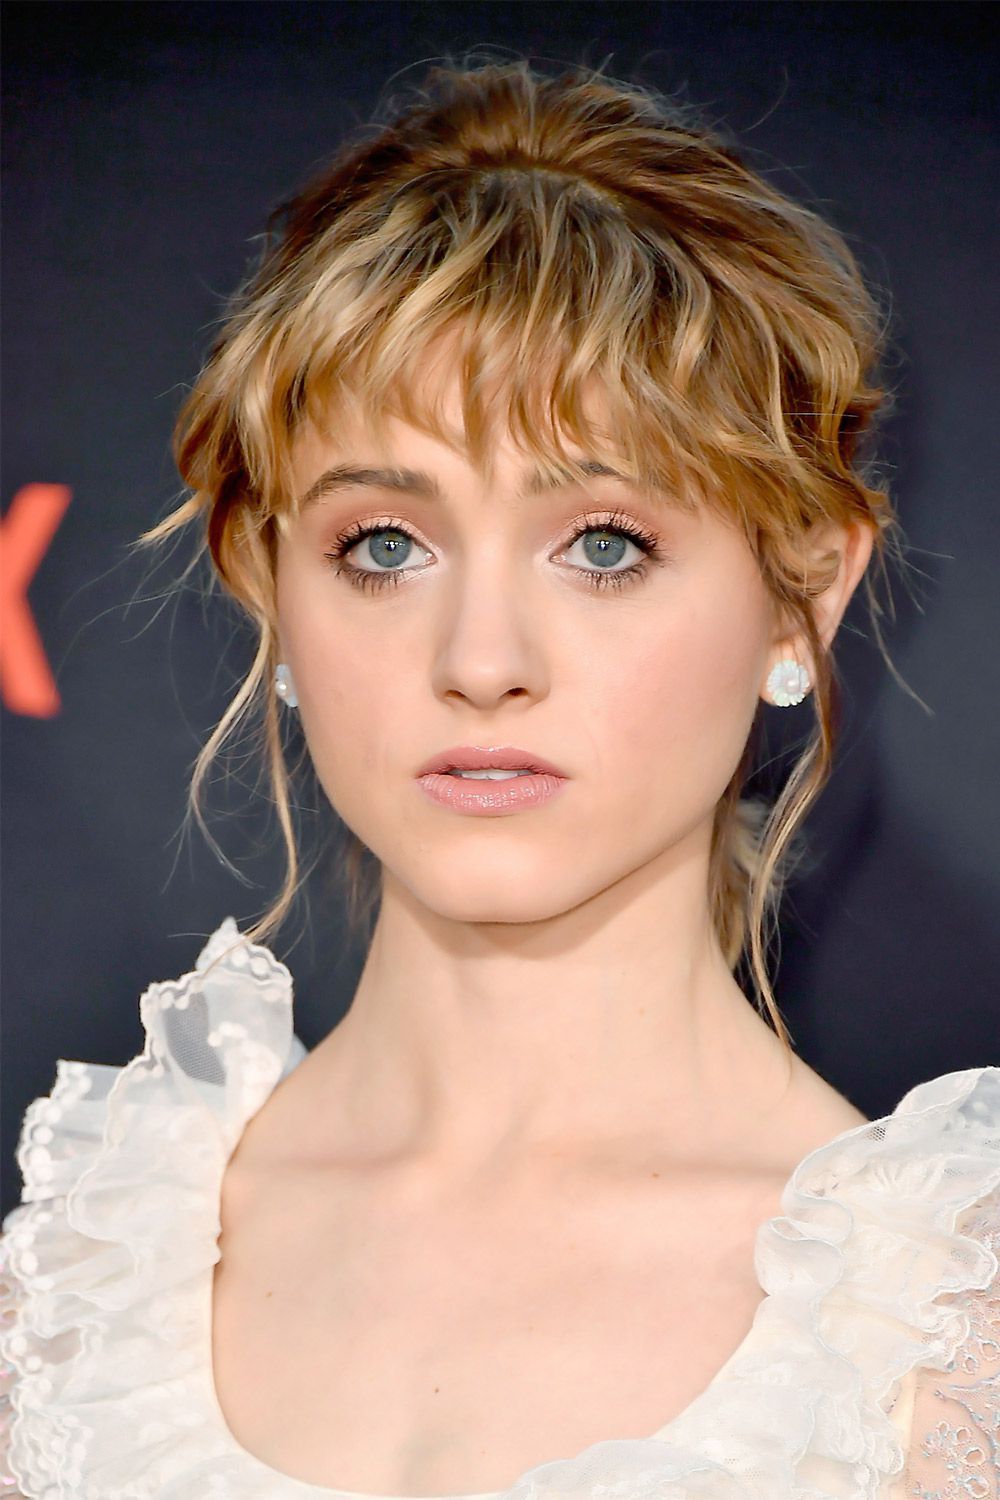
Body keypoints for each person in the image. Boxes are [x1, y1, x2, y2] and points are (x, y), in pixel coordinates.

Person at [1, 58, 997, 1500]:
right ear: (271, 591)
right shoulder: (79, 1283)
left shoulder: (936, 1335)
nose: (480, 661)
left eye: (604, 545)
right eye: (383, 546)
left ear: (802, 600)